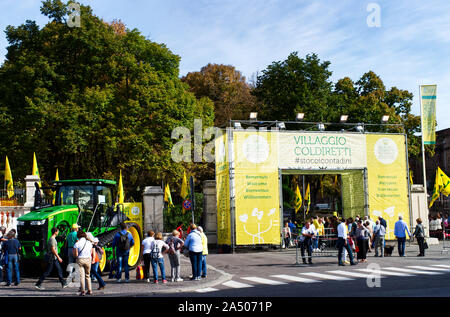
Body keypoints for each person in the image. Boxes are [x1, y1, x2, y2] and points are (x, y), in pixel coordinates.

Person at [73, 230, 94, 296]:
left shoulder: (77, 243)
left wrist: (77, 257)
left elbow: (75, 254)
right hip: (88, 259)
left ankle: (83, 291)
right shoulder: (89, 243)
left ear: (78, 236)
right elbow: (91, 252)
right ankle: (90, 290)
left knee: (82, 276)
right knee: (88, 275)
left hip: (80, 259)